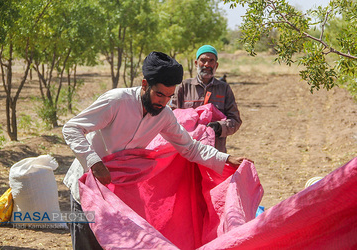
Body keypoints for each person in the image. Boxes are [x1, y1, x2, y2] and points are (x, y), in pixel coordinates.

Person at [62, 51, 251, 249]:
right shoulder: (117, 101)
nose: (163, 102)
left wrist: (226, 158)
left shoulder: (164, 115)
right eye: (159, 94)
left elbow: (190, 147)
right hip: (86, 187)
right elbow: (72, 128)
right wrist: (94, 163)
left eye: (169, 96)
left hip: (120, 192)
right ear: (145, 84)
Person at [171, 45, 242, 153]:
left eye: (211, 61)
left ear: (216, 65)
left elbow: (235, 120)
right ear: (196, 63)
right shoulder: (184, 86)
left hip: (215, 151)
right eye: (203, 60)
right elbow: (170, 117)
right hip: (186, 150)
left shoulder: (224, 89)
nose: (207, 65)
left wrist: (219, 127)